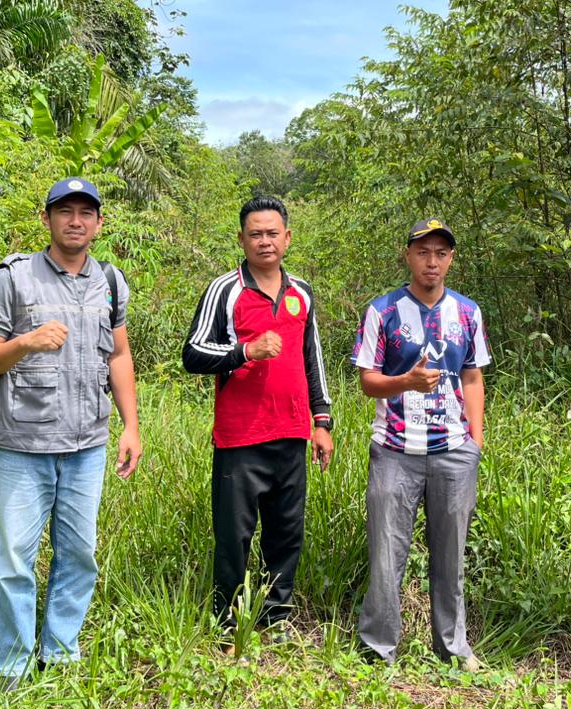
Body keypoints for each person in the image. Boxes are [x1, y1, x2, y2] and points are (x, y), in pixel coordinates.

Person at [0, 177, 143, 690]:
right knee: (14, 562)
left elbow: (119, 355)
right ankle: (12, 667)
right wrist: (24, 342)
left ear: (99, 223)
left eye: (85, 212)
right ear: (46, 219)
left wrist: (131, 425)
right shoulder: (15, 278)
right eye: (65, 211)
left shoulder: (110, 281)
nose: (75, 220)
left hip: (87, 445)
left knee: (79, 556)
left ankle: (60, 655)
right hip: (22, 447)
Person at [182, 195, 333, 646]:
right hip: (240, 437)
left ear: (287, 237)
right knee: (234, 535)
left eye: (272, 233)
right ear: (241, 239)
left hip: (292, 432)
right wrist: (246, 350)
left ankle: (274, 618)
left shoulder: (301, 292)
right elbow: (193, 353)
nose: (265, 241)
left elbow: (312, 359)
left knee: (287, 532)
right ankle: (226, 621)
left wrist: (322, 421)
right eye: (255, 234)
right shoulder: (224, 290)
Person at [352, 218, 490, 669]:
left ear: (451, 259)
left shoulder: (467, 312)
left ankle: (452, 647)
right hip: (394, 450)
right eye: (423, 252)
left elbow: (472, 375)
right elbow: (368, 381)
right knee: (386, 555)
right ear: (408, 256)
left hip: (454, 452)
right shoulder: (383, 311)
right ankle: (378, 648)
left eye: (441, 253)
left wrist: (475, 441)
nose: (433, 261)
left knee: (451, 557)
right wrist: (406, 382)